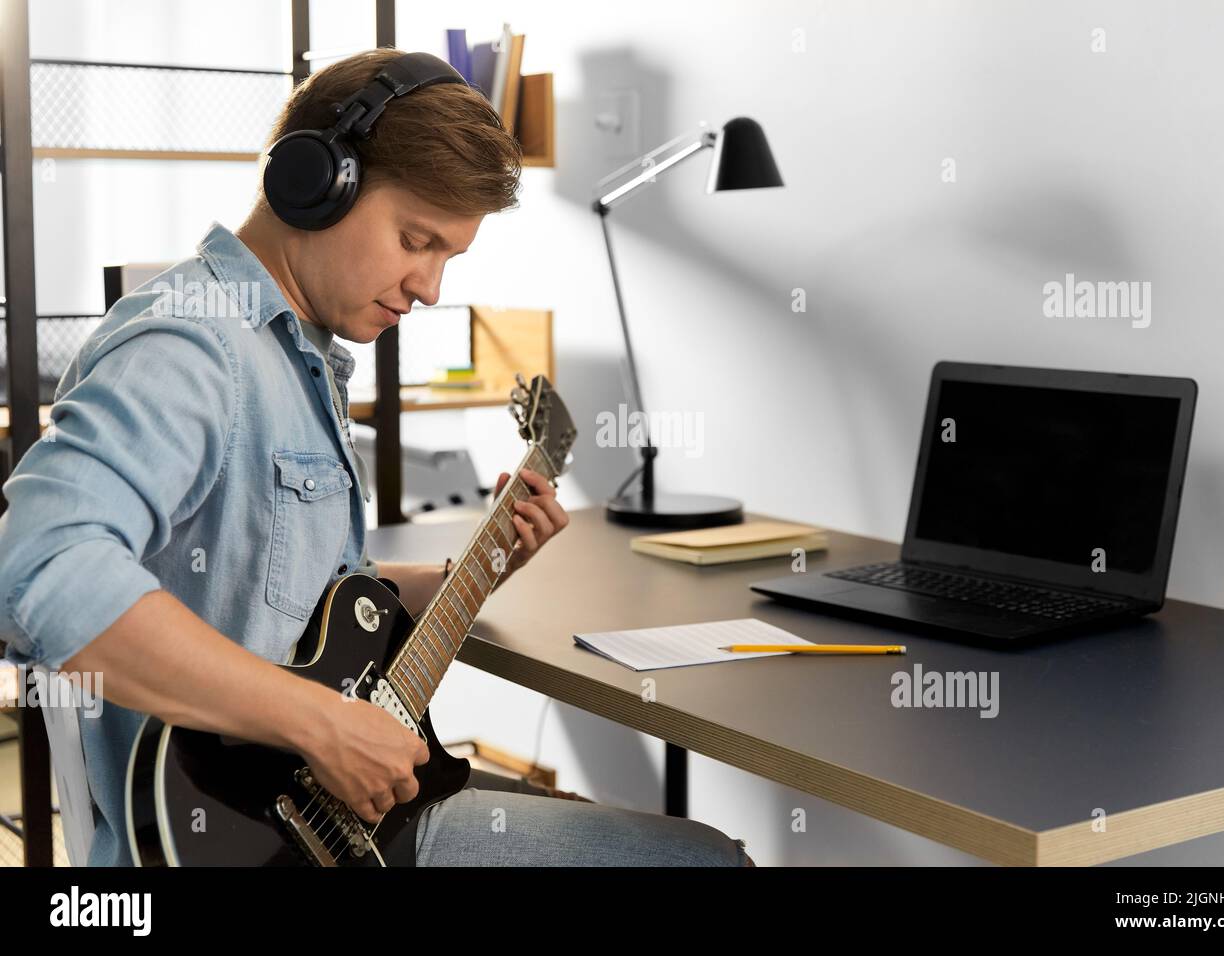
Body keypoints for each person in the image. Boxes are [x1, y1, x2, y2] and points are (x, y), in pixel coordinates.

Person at [0, 48, 751, 867]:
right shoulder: (193, 347)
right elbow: (39, 569)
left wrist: (473, 571)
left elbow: (296, 597)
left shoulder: (296, 356)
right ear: (317, 183)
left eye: (447, 258)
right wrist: (318, 723)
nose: (428, 287)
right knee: (707, 859)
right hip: (242, 838)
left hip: (329, 825)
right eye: (415, 240)